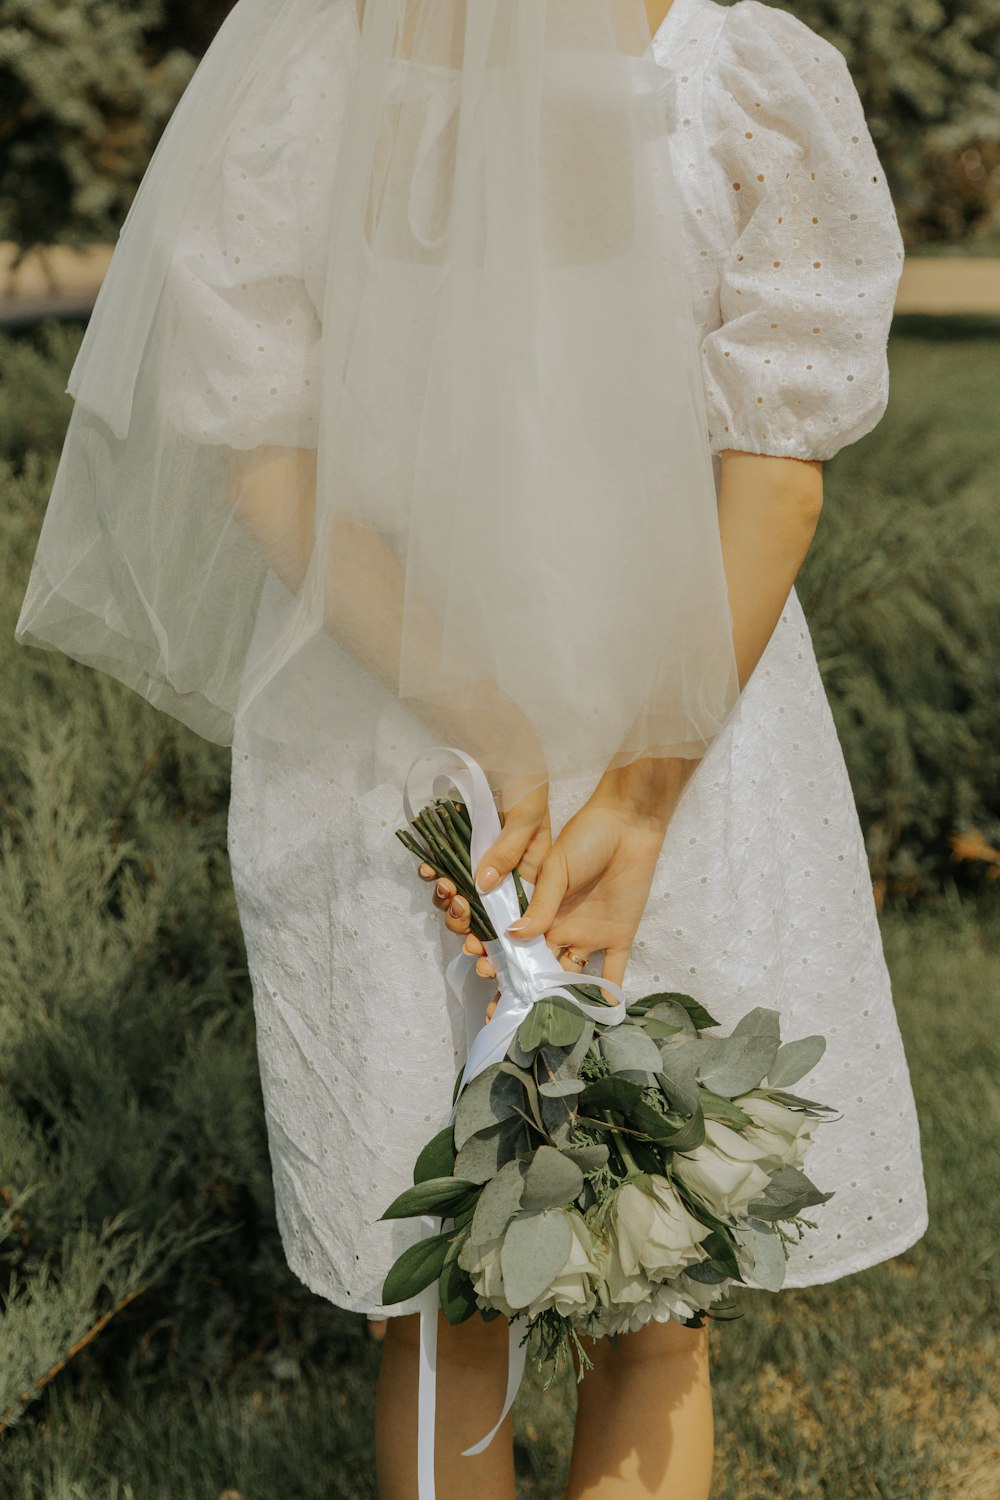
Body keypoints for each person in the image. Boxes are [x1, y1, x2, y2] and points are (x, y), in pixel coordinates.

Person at [15, 0, 929, 1496]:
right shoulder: (754, 74)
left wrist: (489, 724)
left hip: (391, 734)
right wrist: (635, 797)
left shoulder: (312, 66)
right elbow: (780, 478)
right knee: (660, 1294)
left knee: (440, 1317)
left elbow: (267, 461)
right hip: (687, 722)